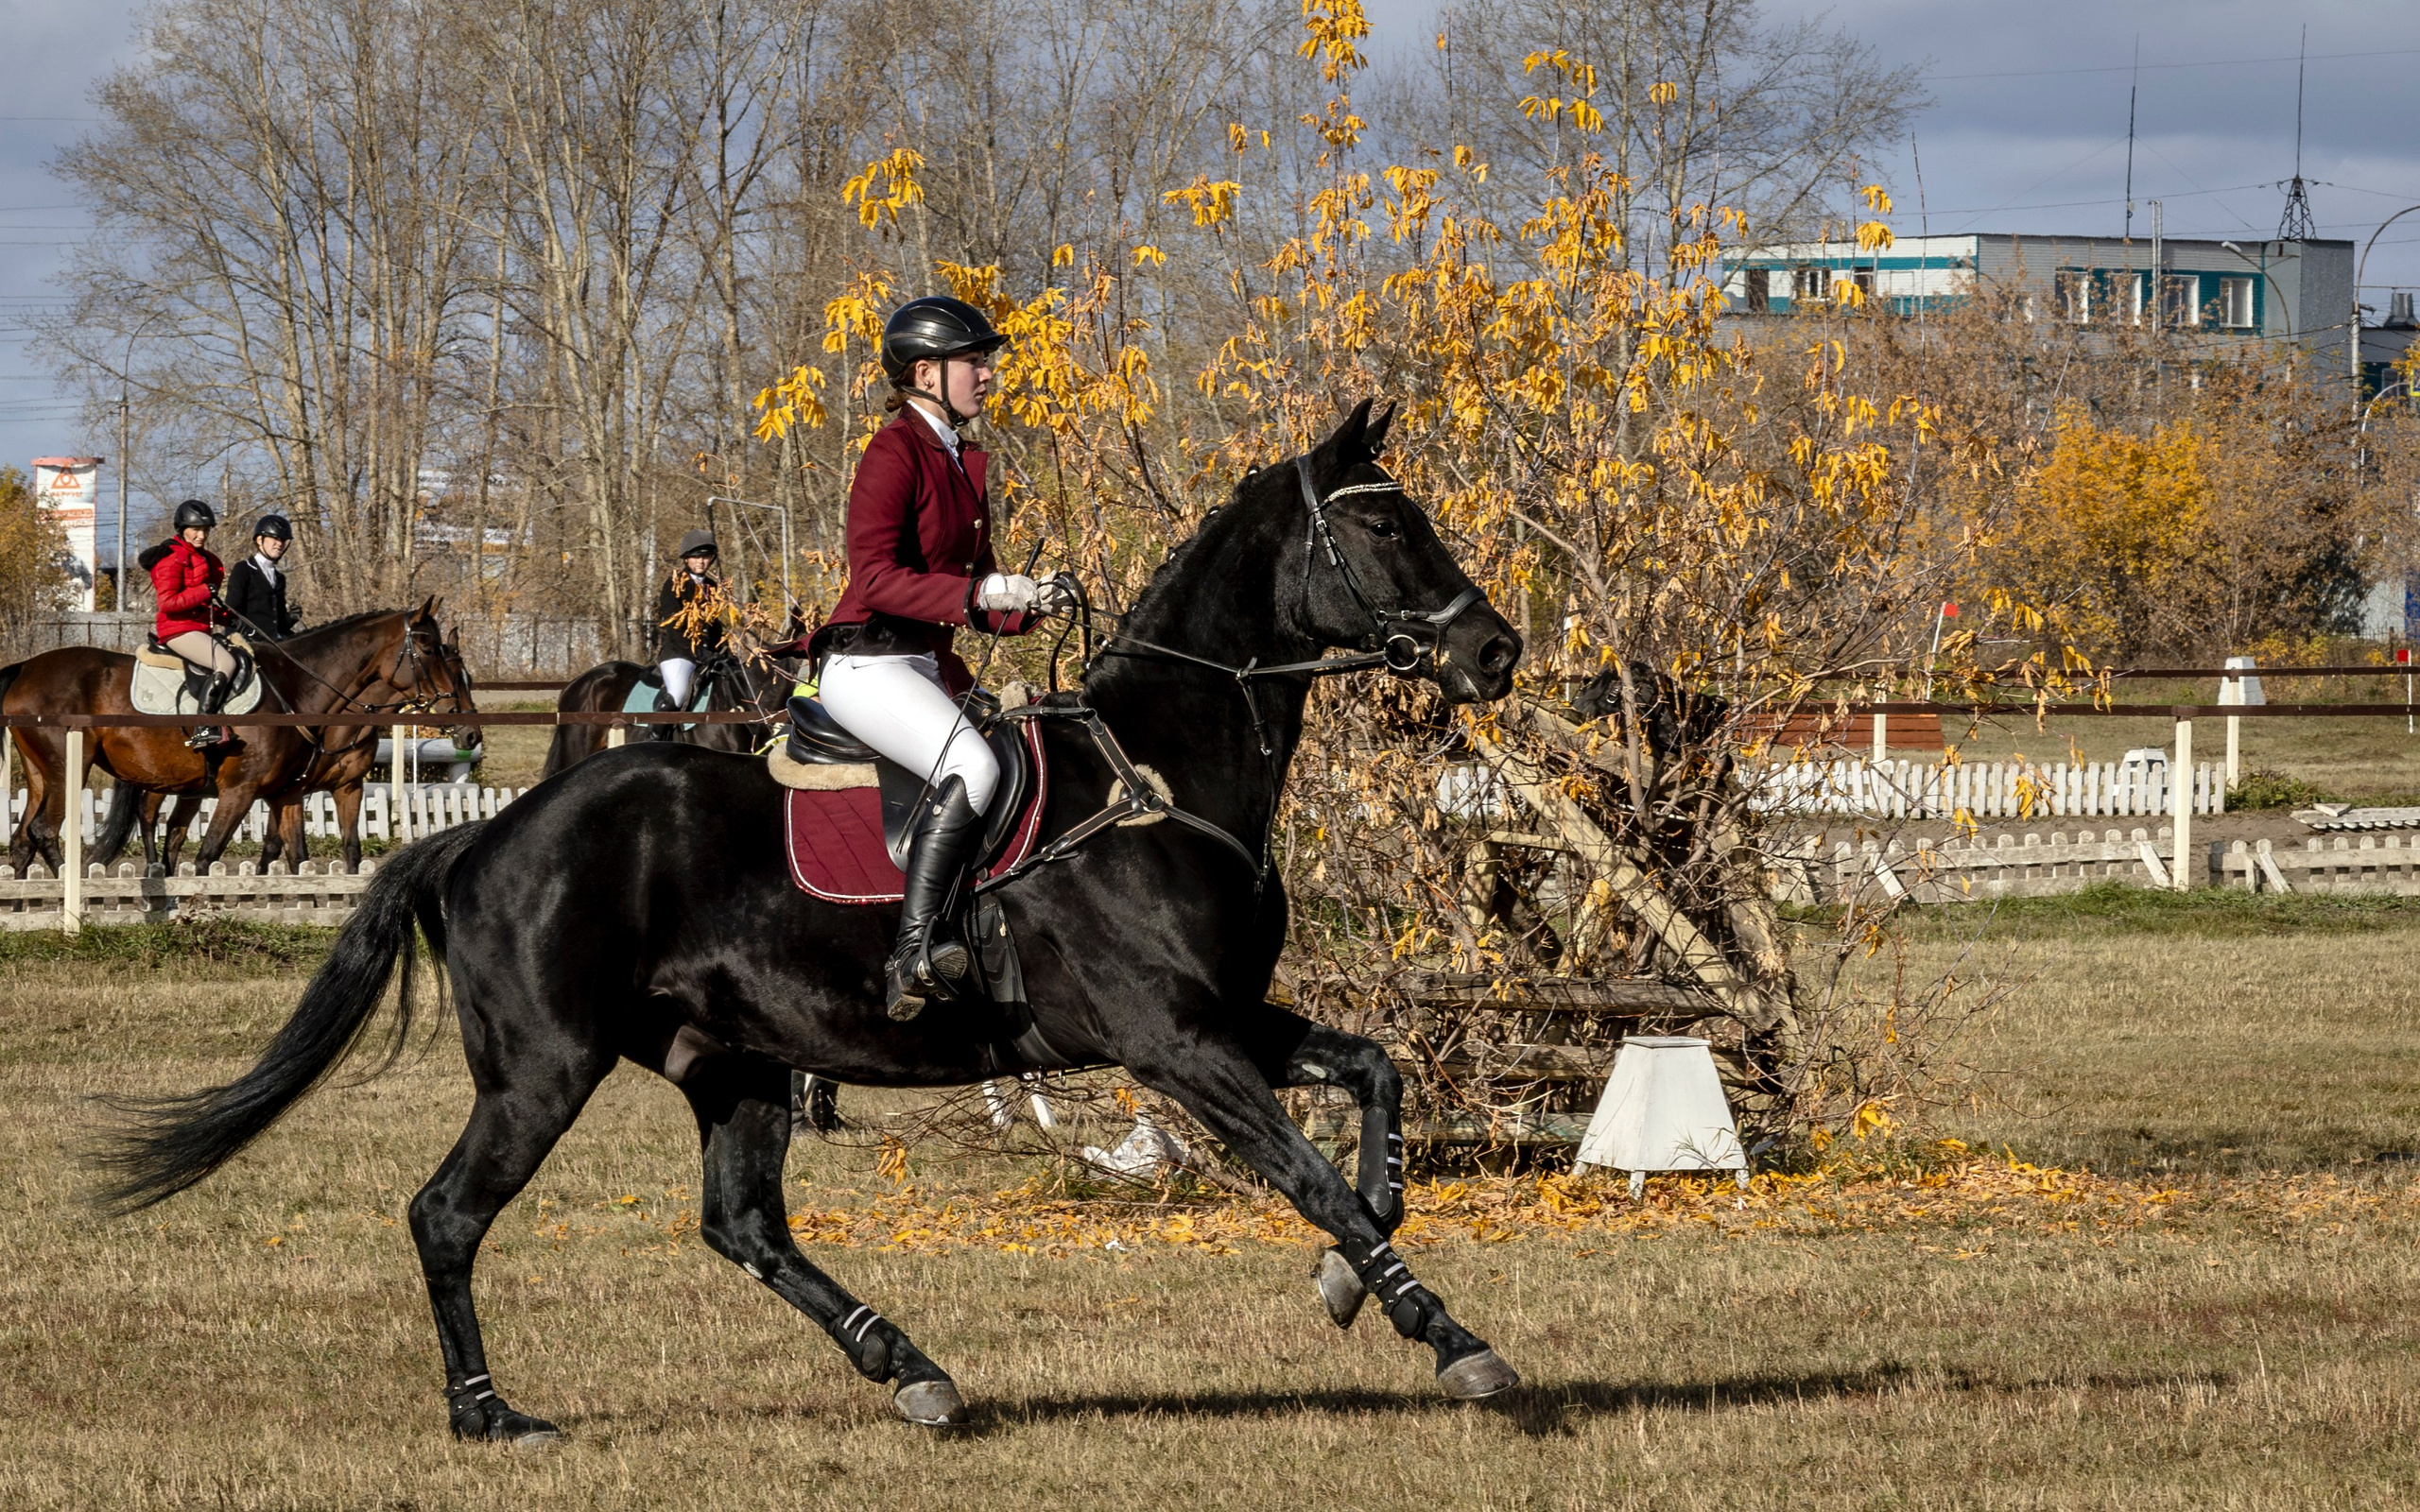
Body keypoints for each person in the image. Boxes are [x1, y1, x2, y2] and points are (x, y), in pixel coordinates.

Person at [815, 294, 1069, 1021]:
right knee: (975, 766)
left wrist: (1032, 601)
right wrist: (984, 588)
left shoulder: (961, 460)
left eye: (986, 361)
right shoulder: (894, 451)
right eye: (975, 362)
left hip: (927, 665)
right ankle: (914, 949)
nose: (988, 375)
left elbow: (974, 593)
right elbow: (875, 580)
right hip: (869, 661)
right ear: (927, 372)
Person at [137, 498, 236, 749]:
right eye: (196, 529)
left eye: (205, 530)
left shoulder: (203, 558)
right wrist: (205, 591)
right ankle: (203, 726)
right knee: (226, 662)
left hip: (198, 628)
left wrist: (228, 617)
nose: (201, 535)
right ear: (182, 529)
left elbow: (202, 605)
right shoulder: (172, 558)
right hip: (176, 630)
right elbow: (168, 603)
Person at [652, 528, 725, 741]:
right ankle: (653, 739)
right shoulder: (673, 585)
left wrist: (720, 648)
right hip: (679, 653)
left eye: (706, 556)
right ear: (686, 558)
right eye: (696, 556)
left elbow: (716, 625)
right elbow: (674, 628)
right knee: (678, 692)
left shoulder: (713, 587)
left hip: (708, 653)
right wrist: (698, 653)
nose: (702, 562)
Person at [222, 513, 301, 640]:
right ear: (260, 540)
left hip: (278, 642)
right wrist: (238, 638)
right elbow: (231, 611)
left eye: (283, 540)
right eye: (275, 538)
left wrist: (291, 618)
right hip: (251, 642)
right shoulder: (243, 569)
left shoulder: (280, 578)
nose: (279, 544)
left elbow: (278, 624)